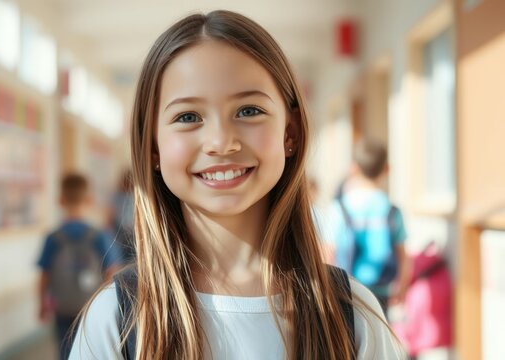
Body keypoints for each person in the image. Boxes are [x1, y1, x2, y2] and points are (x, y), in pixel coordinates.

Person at [71, 10, 405, 359]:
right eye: (188, 117)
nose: (220, 141)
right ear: (153, 146)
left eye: (248, 111)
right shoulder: (115, 318)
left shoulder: (350, 315)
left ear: (289, 133)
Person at [37, 173, 122, 360]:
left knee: (64, 349)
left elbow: (44, 274)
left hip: (62, 306)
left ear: (60, 200)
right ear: (89, 200)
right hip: (90, 305)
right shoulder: (99, 236)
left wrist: (41, 304)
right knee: (90, 348)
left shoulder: (53, 238)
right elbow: (111, 272)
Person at [329, 138, 411, 316]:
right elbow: (403, 257)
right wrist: (402, 289)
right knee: (379, 339)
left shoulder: (340, 208)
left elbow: (328, 253)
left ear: (353, 168)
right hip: (381, 291)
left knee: (348, 341)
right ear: (387, 169)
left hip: (347, 289)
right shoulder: (392, 210)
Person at [110, 169, 136, 263]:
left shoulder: (135, 196)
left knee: (132, 254)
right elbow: (112, 213)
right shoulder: (117, 196)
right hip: (119, 230)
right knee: (120, 254)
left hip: (132, 231)